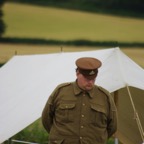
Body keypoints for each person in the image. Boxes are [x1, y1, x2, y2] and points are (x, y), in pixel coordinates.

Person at [42, 57, 117, 144]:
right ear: (77, 73)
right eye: (87, 79)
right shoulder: (61, 91)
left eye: (93, 79)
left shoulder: (105, 97)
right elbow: (46, 119)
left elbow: (112, 126)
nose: (90, 82)